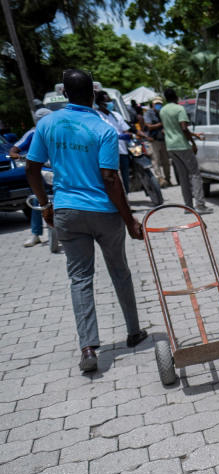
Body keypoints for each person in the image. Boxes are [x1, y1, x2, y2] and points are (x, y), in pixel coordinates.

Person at [25, 69, 148, 372]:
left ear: (64, 95)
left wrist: (44, 206)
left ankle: (89, 349)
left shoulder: (47, 124)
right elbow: (110, 178)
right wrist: (129, 218)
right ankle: (133, 332)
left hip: (67, 211)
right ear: (93, 95)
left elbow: (32, 168)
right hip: (104, 213)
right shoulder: (102, 128)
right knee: (119, 270)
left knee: (80, 279)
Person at [161, 88, 211, 214]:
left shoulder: (163, 110)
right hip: (182, 145)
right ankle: (200, 205)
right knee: (195, 174)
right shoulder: (179, 109)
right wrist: (193, 143)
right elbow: (183, 128)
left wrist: (194, 135)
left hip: (171, 146)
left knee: (183, 177)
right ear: (176, 97)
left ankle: (188, 207)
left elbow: (173, 129)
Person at [10, 108, 52, 247]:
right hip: (41, 170)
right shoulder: (32, 133)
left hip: (59, 169)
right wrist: (16, 155)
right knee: (37, 199)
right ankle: (36, 233)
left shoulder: (58, 130)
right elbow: (14, 149)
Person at [95, 91, 132, 193]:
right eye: (107, 102)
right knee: (114, 178)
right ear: (100, 103)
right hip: (109, 153)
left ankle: (127, 200)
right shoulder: (97, 116)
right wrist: (115, 136)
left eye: (110, 101)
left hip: (122, 150)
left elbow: (126, 129)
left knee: (125, 177)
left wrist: (127, 135)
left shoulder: (116, 115)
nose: (110, 104)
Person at [143, 96, 171, 187]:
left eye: (160, 104)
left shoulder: (163, 113)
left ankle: (168, 179)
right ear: (153, 104)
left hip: (163, 139)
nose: (158, 105)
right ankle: (160, 179)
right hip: (153, 140)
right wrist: (161, 124)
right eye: (156, 104)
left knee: (166, 161)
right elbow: (149, 126)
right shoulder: (148, 113)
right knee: (156, 160)